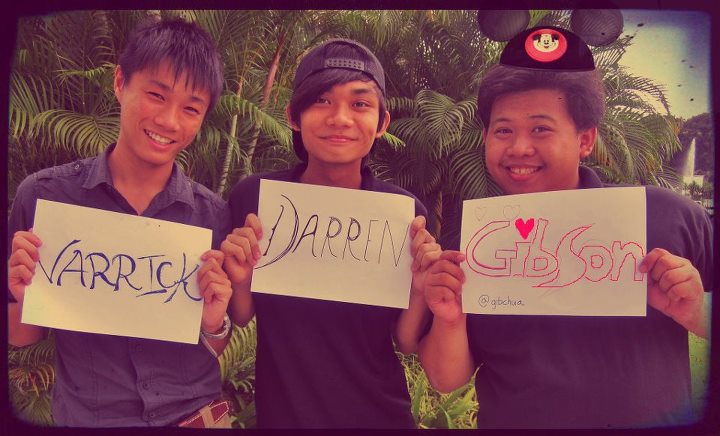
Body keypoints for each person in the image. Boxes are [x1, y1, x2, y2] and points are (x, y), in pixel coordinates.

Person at [418, 26, 713, 429]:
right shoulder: (471, 242)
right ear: (485, 138)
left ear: (585, 139)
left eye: (540, 128)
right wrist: (449, 318)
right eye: (503, 130)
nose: (519, 147)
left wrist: (698, 311)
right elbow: (445, 379)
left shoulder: (668, 216)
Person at [7, 18, 234, 428]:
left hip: (196, 420)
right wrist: (24, 294)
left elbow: (213, 346)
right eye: (156, 95)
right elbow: (22, 336)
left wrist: (214, 322)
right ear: (119, 83)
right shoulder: (44, 197)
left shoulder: (212, 215)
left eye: (190, 108)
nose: (169, 121)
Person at [220, 38, 440, 428]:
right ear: (293, 116)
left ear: (382, 123)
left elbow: (405, 341)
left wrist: (420, 289)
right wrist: (239, 276)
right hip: (284, 419)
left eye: (360, 104)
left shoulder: (404, 215)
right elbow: (241, 314)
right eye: (322, 100)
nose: (340, 118)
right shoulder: (254, 199)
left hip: (380, 418)